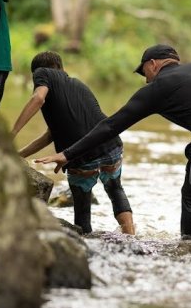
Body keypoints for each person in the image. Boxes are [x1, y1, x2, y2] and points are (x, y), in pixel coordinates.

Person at [35, 45, 191, 238]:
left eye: (144, 72)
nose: (145, 79)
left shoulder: (158, 87)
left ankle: (190, 252)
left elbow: (112, 125)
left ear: (154, 64)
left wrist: (67, 154)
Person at [11, 51, 134, 235]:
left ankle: (86, 245)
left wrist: (12, 133)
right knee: (115, 189)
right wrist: (18, 155)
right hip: (111, 146)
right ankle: (130, 235)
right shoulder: (79, 85)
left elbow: (38, 98)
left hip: (81, 158)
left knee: (82, 207)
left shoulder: (42, 73)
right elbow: (49, 136)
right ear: (62, 67)